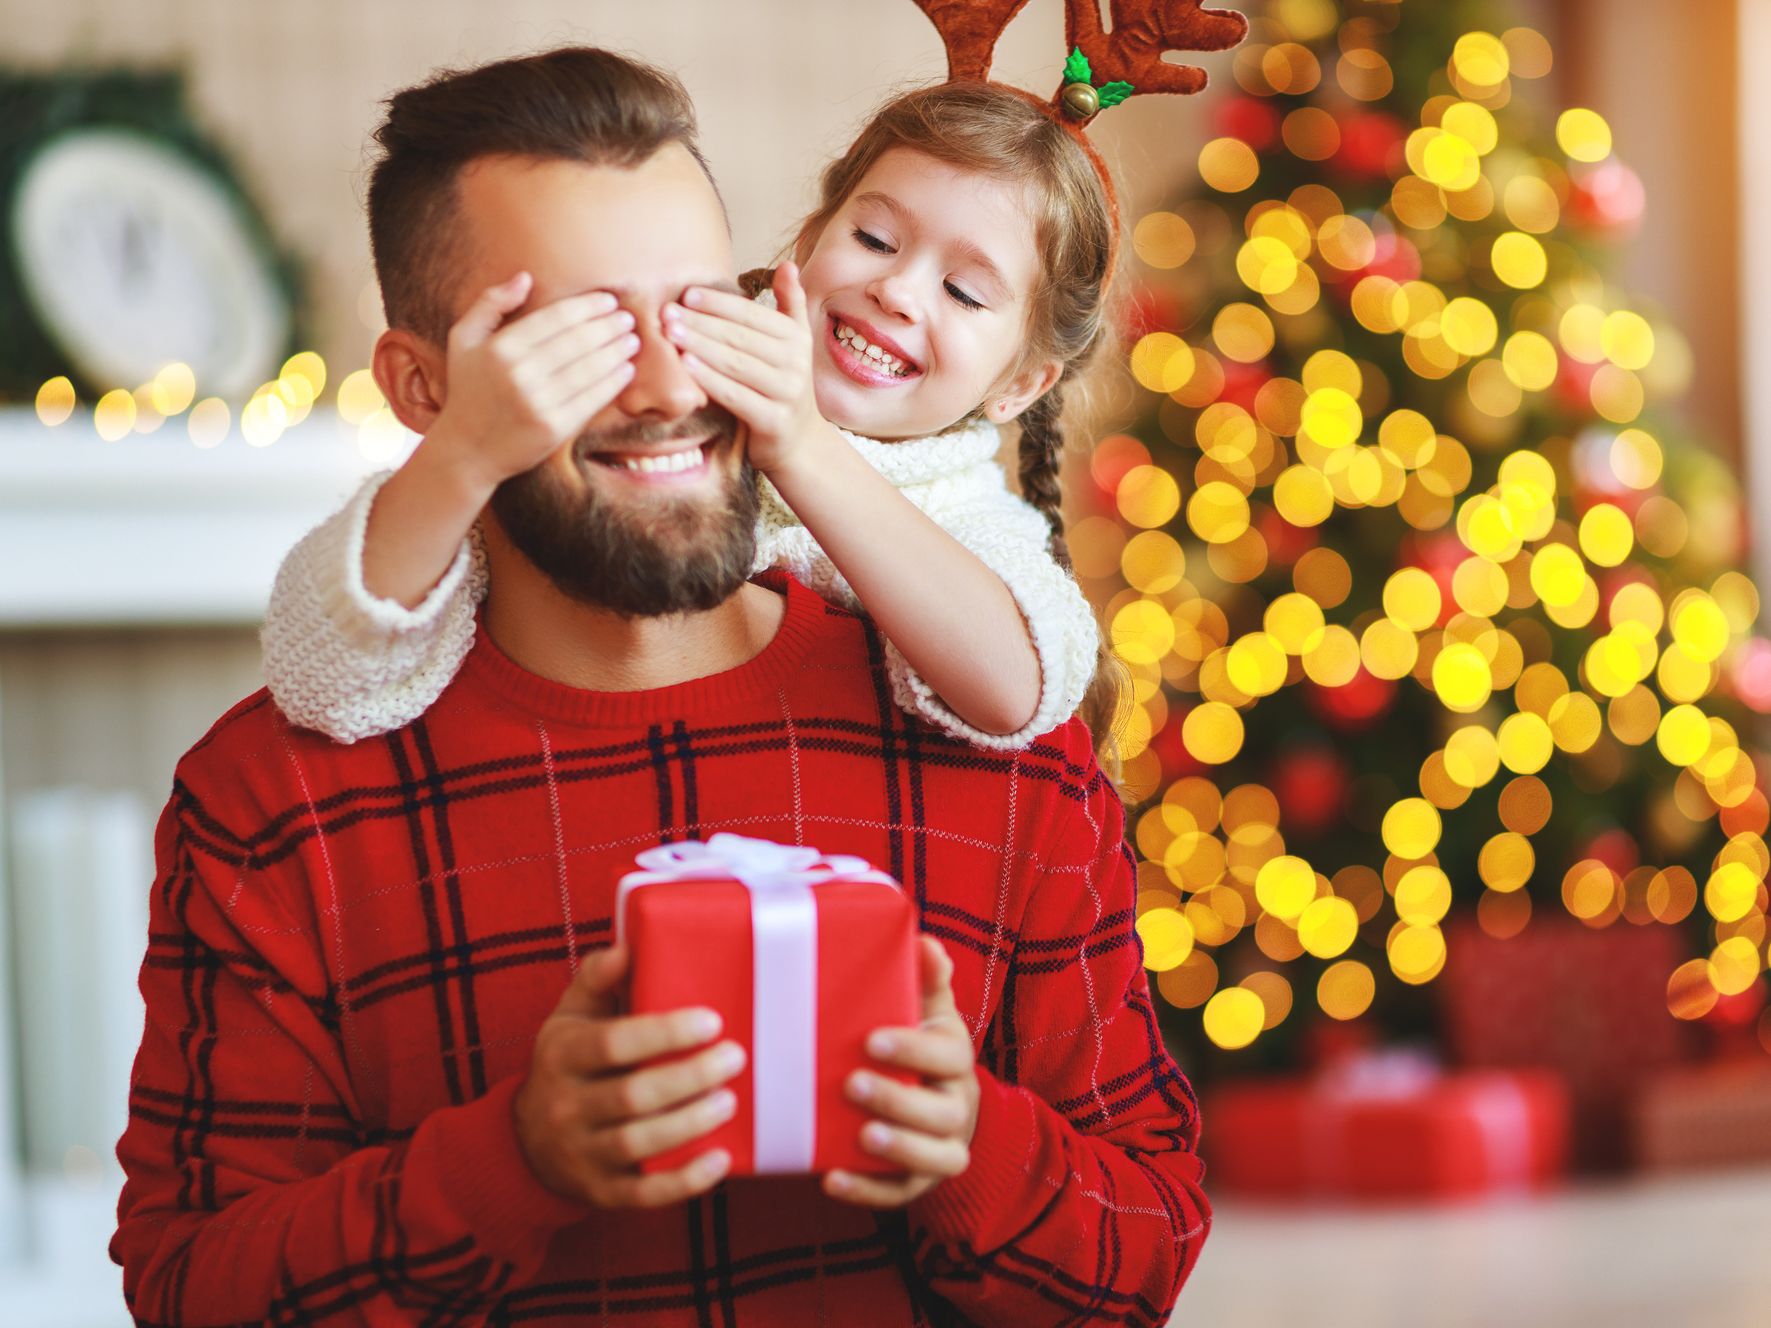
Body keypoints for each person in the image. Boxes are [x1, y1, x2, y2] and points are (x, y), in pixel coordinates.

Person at [112, 48, 1209, 1326]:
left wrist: (971, 1152)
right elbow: (194, 1294)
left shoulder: (992, 736)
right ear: (423, 389)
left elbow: (1139, 1264)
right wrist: (507, 1163)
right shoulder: (275, 802)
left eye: (694, 307)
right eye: (574, 336)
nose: (663, 381)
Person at [259, 73, 1119, 759]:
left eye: (964, 292)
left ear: (1019, 387)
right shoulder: (658, 394)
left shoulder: (961, 511)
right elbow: (321, 669)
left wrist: (805, 450)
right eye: (874, 240)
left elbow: (1020, 692)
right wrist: (463, 454)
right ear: (809, 242)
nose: (895, 291)